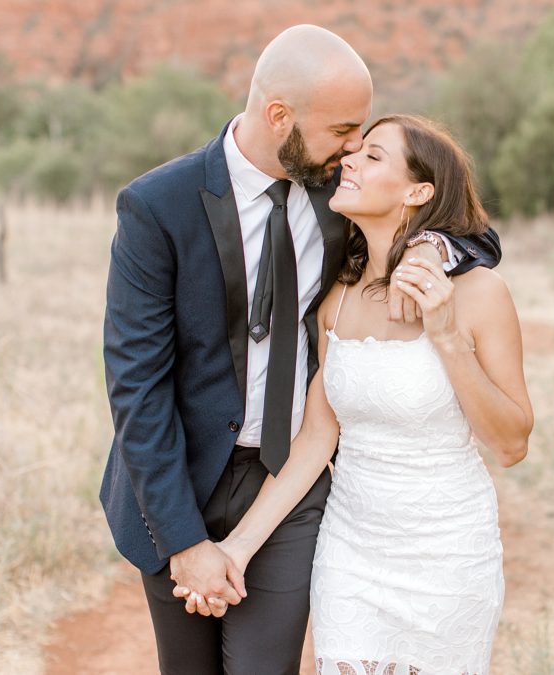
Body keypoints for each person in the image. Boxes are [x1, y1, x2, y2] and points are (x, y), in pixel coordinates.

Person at [99, 25, 502, 674]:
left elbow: (471, 229)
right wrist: (183, 540)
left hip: (290, 476)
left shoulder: (339, 194)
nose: (353, 148)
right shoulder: (158, 207)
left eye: (362, 134)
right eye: (343, 129)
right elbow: (136, 386)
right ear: (279, 116)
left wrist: (432, 248)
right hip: (175, 481)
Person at [195, 114, 533, 675]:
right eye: (355, 152)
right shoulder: (338, 299)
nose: (349, 160)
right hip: (351, 548)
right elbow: (316, 437)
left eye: (373, 156)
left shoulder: (479, 294)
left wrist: (446, 335)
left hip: (447, 553)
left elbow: (512, 443)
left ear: (418, 191)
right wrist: (239, 547)